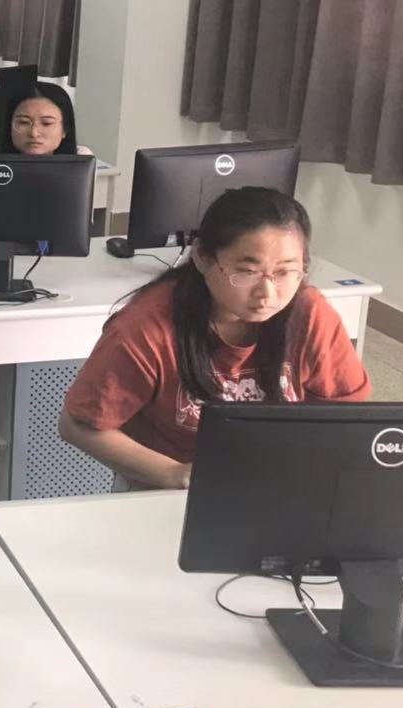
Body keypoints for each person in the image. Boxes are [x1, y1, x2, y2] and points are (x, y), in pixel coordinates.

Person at [60, 187, 371, 490]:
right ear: (203, 259)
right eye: (247, 272)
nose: (267, 293)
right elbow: (76, 425)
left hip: (282, 483)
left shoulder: (309, 313)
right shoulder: (146, 328)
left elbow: (345, 415)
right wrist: (173, 473)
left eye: (285, 272)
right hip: (173, 491)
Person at [0, 82, 92, 157]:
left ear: (65, 129)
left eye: (46, 123)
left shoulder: (82, 159)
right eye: (23, 122)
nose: (34, 133)